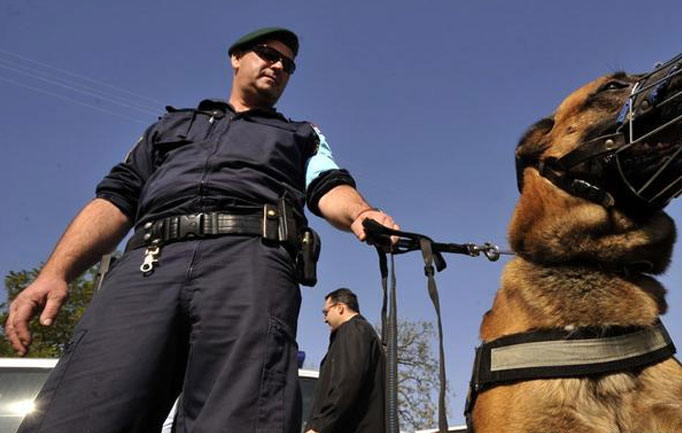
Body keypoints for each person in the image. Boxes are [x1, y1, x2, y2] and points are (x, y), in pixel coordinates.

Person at [4, 27, 398, 433]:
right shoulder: (170, 127)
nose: (279, 65)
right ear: (236, 57)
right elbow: (116, 199)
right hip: (148, 265)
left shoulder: (300, 135)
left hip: (249, 264)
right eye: (267, 53)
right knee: (78, 410)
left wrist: (360, 214)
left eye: (289, 64)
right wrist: (54, 273)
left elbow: (328, 184)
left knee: (239, 417)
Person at [306, 288, 385, 433]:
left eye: (326, 312)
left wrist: (319, 427)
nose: (325, 319)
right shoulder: (358, 332)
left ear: (340, 308)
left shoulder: (354, 330)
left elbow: (348, 382)